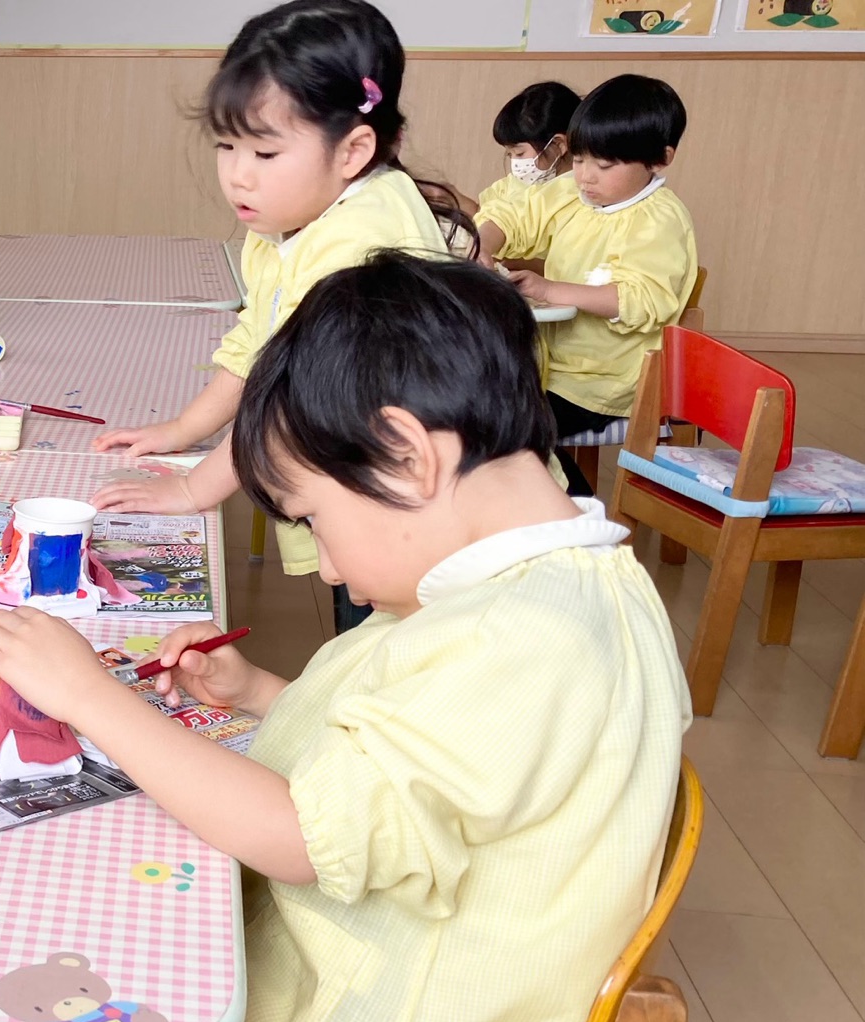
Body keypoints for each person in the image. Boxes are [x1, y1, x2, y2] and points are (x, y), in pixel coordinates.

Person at [0, 251, 688, 1022]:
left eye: (316, 519)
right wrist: (263, 691)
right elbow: (450, 768)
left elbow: (303, 837)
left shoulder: (512, 638)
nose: (335, 569)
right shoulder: (584, 580)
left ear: (408, 454)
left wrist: (90, 695)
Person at [89, 0, 466, 633]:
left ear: (353, 151)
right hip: (364, 488)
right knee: (365, 650)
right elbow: (260, 343)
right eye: (226, 145)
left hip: (417, 509)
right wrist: (186, 428)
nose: (238, 176)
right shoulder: (287, 218)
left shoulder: (357, 244)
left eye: (264, 155)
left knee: (395, 661)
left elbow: (290, 398)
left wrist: (193, 491)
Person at [477, 74, 698, 497]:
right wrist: (483, 244)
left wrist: (549, 290)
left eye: (605, 165)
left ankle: (579, 516)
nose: (585, 177)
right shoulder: (572, 194)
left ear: (660, 159)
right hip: (549, 368)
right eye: (579, 160)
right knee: (473, 401)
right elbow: (517, 216)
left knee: (510, 428)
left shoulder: (658, 220)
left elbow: (643, 299)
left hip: (605, 382)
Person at [478, 81, 579, 214]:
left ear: (558, 145)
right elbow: (479, 212)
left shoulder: (577, 195)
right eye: (510, 154)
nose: (514, 163)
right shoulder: (512, 184)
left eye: (519, 153)